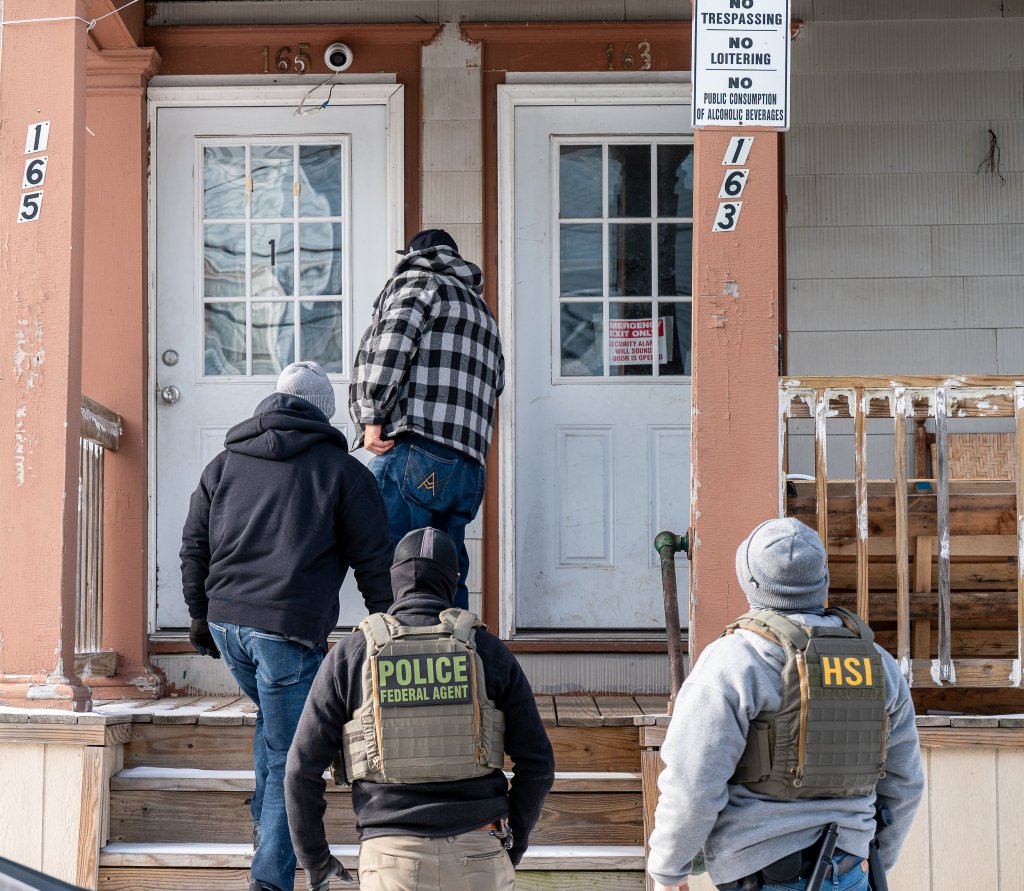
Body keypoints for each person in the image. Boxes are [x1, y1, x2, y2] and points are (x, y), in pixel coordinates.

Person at [180, 360, 394, 891]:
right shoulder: (344, 473)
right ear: (324, 413)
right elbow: (373, 561)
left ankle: (265, 829)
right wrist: (390, 626)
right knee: (289, 757)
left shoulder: (224, 463)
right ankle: (270, 880)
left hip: (228, 624)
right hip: (285, 630)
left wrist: (199, 615)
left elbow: (194, 545)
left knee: (275, 728)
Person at [648, 517, 924, 891]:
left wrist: (668, 872)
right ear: (823, 579)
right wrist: (874, 859)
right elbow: (904, 783)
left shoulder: (732, 661)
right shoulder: (877, 662)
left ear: (750, 581)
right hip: (852, 871)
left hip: (764, 875)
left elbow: (693, 783)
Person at [285, 527, 555, 891]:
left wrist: (315, 860)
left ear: (394, 578)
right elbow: (539, 764)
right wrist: (512, 845)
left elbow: (299, 770)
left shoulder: (351, 655)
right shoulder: (488, 651)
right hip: (479, 853)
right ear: (454, 579)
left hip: (390, 859)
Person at [349, 228, 505, 609]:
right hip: (468, 465)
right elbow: (497, 381)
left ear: (413, 256)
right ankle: (456, 644)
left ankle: (393, 642)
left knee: (394, 560)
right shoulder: (483, 311)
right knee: (447, 568)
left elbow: (391, 346)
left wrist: (372, 416)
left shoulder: (419, 283)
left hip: (416, 449)